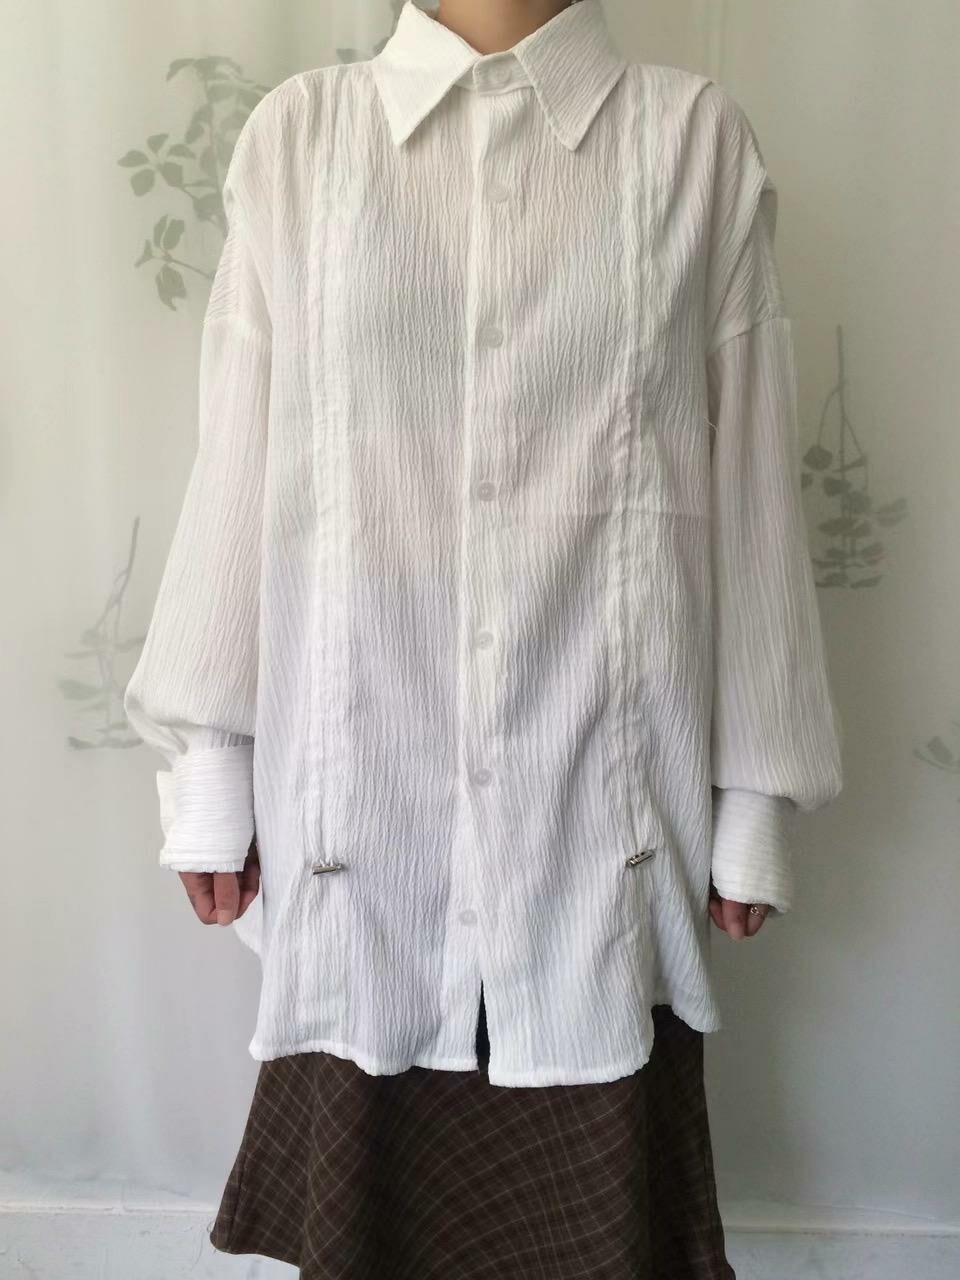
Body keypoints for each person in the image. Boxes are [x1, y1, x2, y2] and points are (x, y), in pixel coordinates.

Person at [123, 1, 844, 1275]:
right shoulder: (302, 140)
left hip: (602, 830)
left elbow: (750, 495)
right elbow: (239, 469)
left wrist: (755, 796)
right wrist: (209, 768)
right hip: (361, 832)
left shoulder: (692, 144)